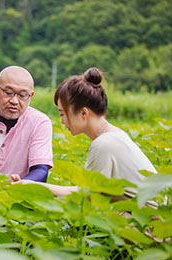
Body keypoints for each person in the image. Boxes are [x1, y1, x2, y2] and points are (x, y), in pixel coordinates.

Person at [14, 67, 157, 205]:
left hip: (146, 224)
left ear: (83, 113)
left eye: (62, 114)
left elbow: (87, 196)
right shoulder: (114, 134)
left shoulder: (104, 143)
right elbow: (94, 192)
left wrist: (36, 187)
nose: (62, 121)